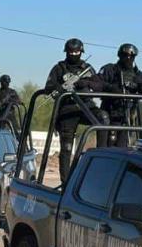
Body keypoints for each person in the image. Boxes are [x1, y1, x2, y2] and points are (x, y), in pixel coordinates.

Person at [44, 38, 108, 183]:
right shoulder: (59, 68)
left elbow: (99, 86)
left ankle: (101, 157)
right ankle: (66, 183)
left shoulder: (87, 67)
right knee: (66, 148)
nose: (74, 54)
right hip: (67, 109)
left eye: (77, 51)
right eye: (71, 52)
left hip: (86, 106)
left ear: (81, 52)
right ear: (66, 52)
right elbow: (48, 88)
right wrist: (59, 87)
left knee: (103, 118)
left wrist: (85, 82)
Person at [99, 43, 142, 148]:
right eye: (125, 55)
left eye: (131, 56)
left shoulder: (138, 74)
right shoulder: (109, 70)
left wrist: (141, 84)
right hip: (109, 113)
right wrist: (112, 88)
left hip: (126, 116)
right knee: (106, 147)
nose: (128, 58)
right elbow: (97, 84)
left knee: (123, 148)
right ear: (120, 55)